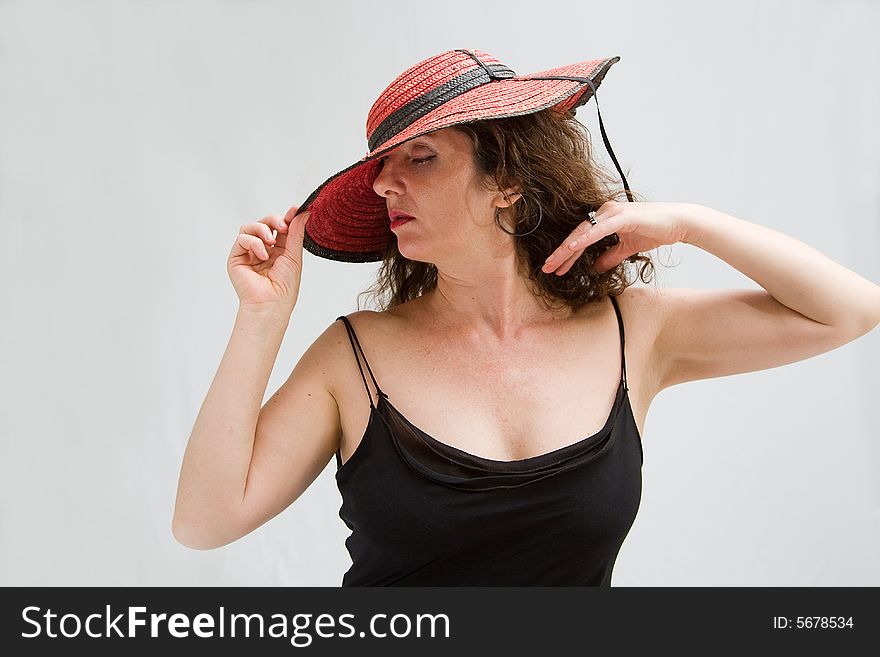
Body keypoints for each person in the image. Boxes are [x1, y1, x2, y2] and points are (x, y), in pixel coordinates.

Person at [172, 49, 880, 585]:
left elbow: (849, 310)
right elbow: (204, 521)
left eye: (420, 156)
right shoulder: (352, 356)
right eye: (384, 164)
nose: (387, 181)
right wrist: (261, 320)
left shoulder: (636, 332)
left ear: (507, 182)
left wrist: (691, 224)